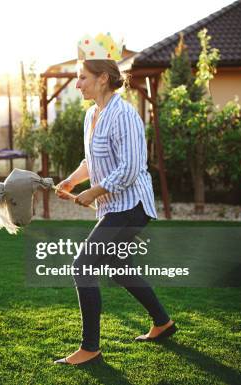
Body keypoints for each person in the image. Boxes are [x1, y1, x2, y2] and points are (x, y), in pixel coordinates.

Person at [53, 34, 176, 365]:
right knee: (118, 266)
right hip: (114, 206)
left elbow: (132, 168)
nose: (77, 84)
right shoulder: (91, 114)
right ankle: (163, 323)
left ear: (103, 78)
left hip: (132, 207)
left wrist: (93, 191)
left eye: (82, 77)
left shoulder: (124, 114)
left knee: (82, 265)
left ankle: (90, 347)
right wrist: (73, 179)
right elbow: (91, 162)